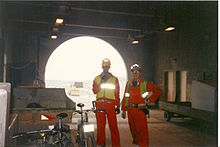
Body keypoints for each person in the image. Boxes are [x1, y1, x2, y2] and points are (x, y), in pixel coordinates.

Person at [121, 64, 161, 147]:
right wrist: (124, 110)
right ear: (131, 73)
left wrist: (150, 99)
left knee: (142, 131)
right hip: (131, 110)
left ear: (140, 72)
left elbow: (158, 91)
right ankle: (138, 144)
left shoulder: (146, 83)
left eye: (137, 71)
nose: (135, 72)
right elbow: (126, 96)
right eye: (133, 71)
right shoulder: (129, 83)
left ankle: (143, 145)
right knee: (133, 130)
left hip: (140, 110)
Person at [92, 58, 121, 147]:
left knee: (113, 126)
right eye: (104, 66)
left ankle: (116, 145)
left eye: (107, 66)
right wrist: (101, 81)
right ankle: (101, 143)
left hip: (110, 104)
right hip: (100, 104)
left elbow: (117, 93)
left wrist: (117, 105)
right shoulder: (97, 78)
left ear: (109, 67)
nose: (105, 68)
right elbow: (95, 91)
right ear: (102, 67)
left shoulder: (114, 79)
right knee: (100, 126)